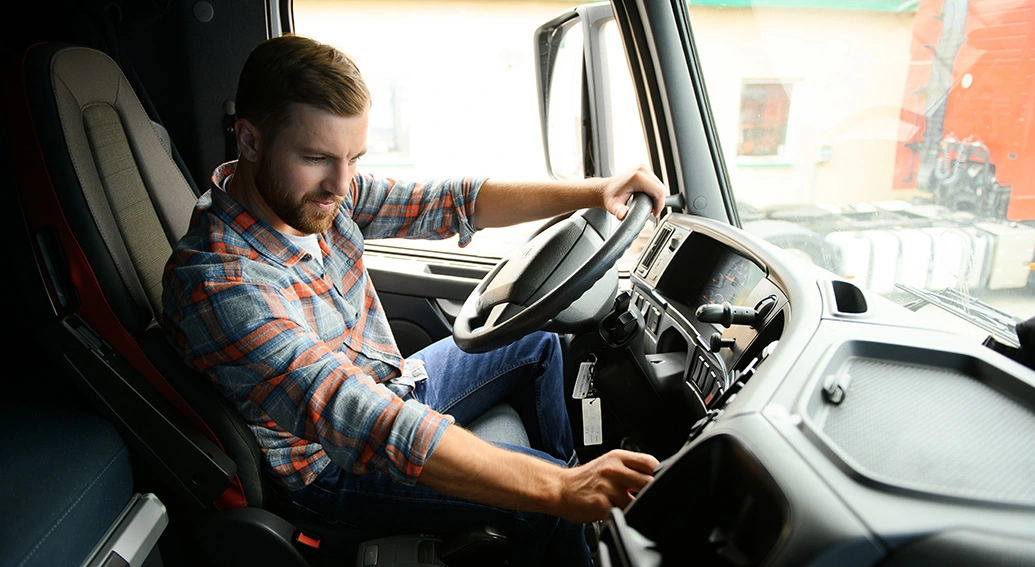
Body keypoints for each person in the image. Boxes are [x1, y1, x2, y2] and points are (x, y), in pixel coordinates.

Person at [162, 34, 666, 565]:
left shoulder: (315, 194)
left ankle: (571, 495)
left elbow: (448, 201)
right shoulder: (222, 285)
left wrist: (595, 191)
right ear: (250, 140)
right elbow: (364, 418)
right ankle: (568, 525)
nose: (341, 184)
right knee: (546, 506)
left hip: (394, 387)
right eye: (317, 158)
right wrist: (558, 489)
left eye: (353, 158)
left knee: (533, 337)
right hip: (331, 467)